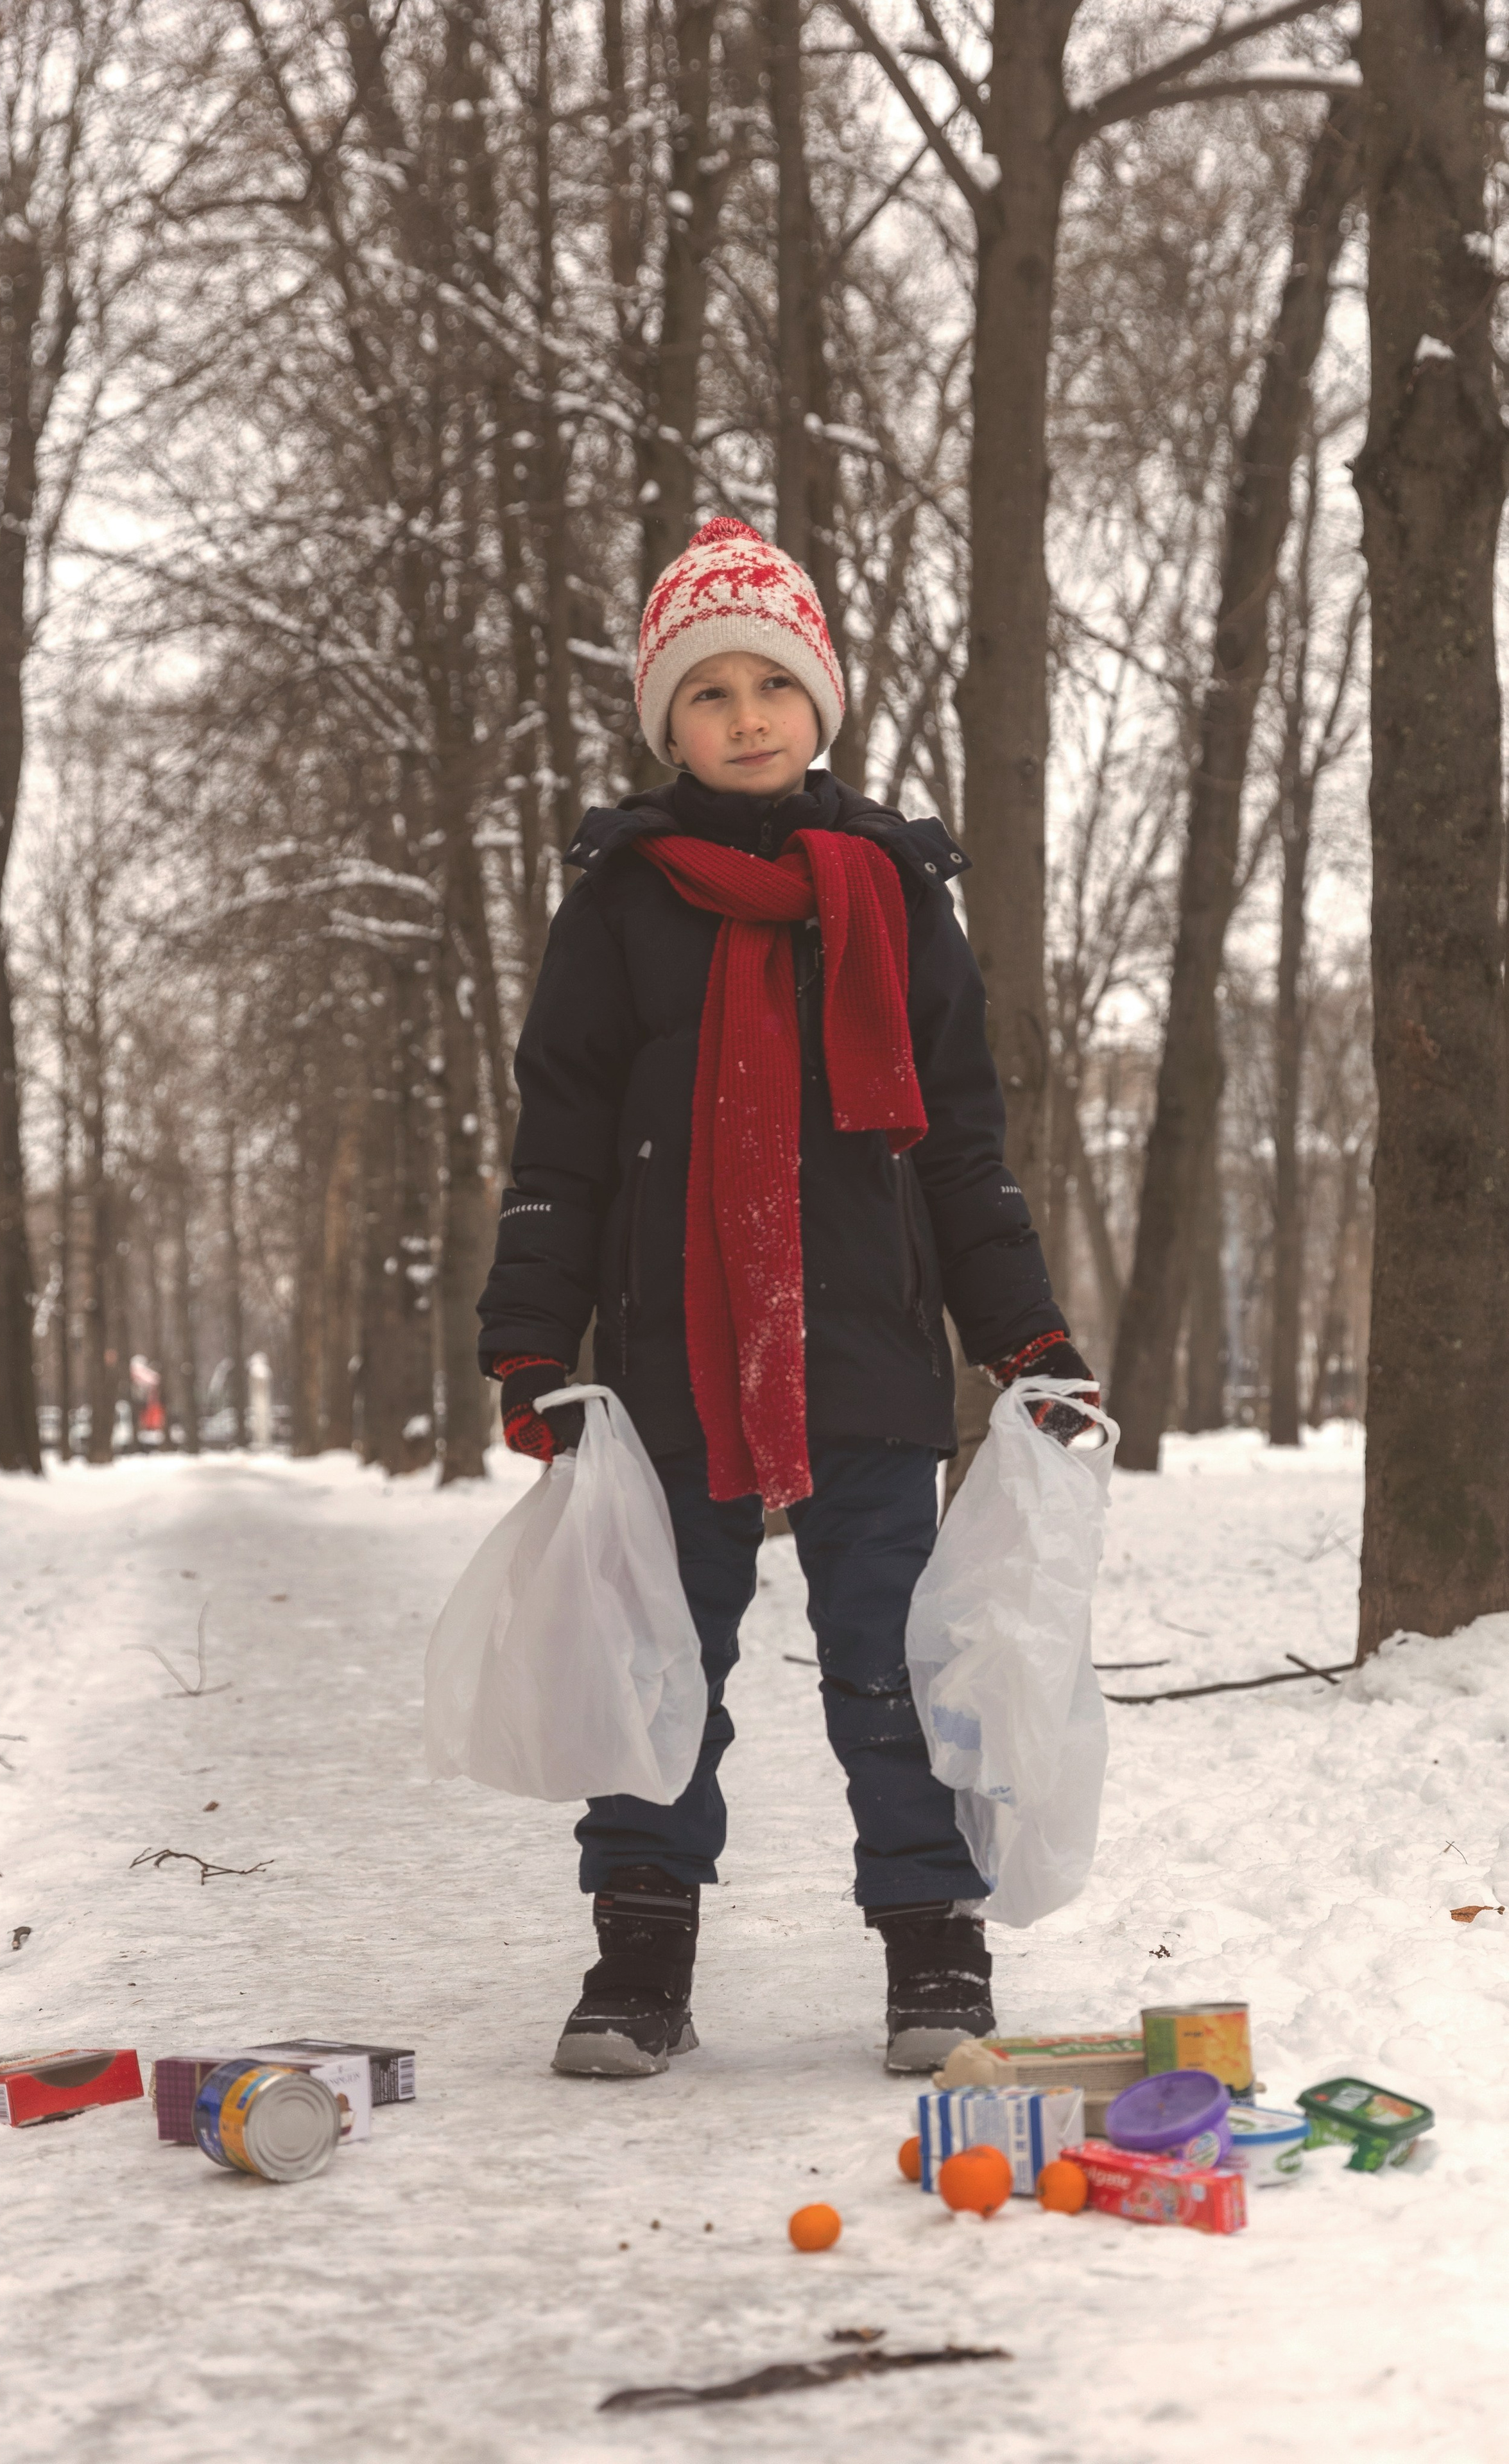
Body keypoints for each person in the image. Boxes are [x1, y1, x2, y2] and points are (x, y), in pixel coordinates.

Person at [476, 516, 1096, 2078]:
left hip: (867, 1352)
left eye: (772, 682)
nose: (743, 714)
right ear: (664, 720)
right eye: (705, 692)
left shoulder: (895, 894)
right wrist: (531, 1338)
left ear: (819, 701)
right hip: (672, 1355)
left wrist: (1023, 1330)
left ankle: (931, 1949)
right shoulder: (619, 902)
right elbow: (560, 1136)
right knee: (658, 1660)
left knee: (891, 1662)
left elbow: (959, 1147)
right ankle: (639, 1953)